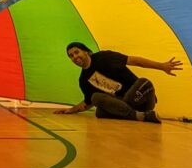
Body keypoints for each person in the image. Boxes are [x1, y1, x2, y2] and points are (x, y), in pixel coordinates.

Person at [54, 42, 182, 123]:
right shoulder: (83, 80)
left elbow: (135, 61)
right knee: (95, 98)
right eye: (71, 56)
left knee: (144, 82)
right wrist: (71, 110)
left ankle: (133, 113)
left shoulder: (104, 57)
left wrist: (161, 66)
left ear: (85, 51)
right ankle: (141, 116)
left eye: (76, 52)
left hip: (141, 97)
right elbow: (87, 103)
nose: (75, 57)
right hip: (122, 103)